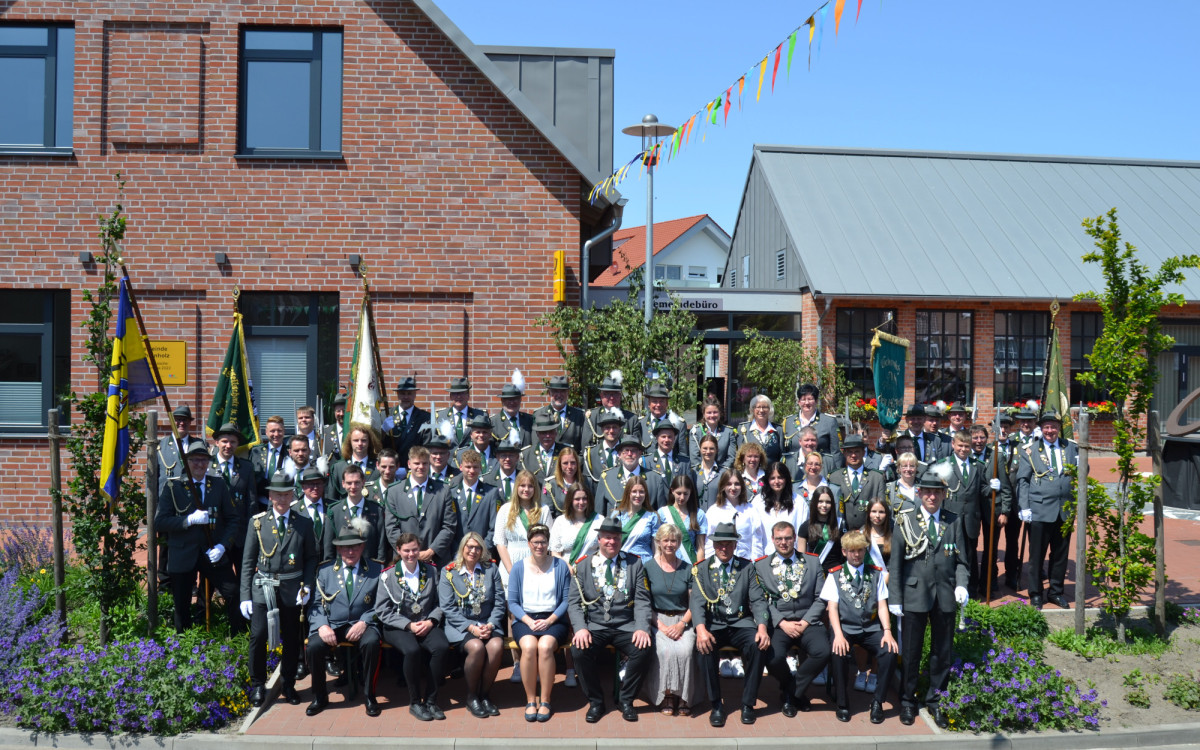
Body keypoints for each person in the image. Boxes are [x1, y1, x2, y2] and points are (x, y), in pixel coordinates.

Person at [888, 472, 970, 727]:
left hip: (945, 595)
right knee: (911, 653)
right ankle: (908, 702)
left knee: (941, 653)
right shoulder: (904, 521)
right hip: (914, 595)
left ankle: (935, 701)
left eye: (937, 492)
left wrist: (962, 584)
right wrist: (895, 598)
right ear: (920, 493)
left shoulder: (953, 521)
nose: (932, 496)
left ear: (944, 495)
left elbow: (961, 561)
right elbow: (897, 563)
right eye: (927, 491)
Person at [240, 471, 319, 708]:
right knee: (259, 635)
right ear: (270, 495)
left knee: (292, 638)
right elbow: (247, 561)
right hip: (263, 587)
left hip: (292, 587)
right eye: (277, 494)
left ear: (292, 495)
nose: (282, 499)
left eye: (286, 494)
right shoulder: (258, 522)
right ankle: (257, 685)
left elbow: (311, 559)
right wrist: (245, 595)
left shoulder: (303, 523)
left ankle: (288, 684)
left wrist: (306, 586)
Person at [569, 517, 653, 724]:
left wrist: (642, 628)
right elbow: (574, 602)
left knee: (643, 649)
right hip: (595, 625)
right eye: (607, 537)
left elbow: (642, 600)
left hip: (626, 624)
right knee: (579, 651)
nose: (611, 542)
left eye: (616, 538)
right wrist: (580, 628)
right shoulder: (583, 565)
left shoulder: (635, 563)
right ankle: (596, 701)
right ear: (599, 539)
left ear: (621, 540)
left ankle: (626, 700)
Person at [157, 441, 242, 633]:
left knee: (233, 592)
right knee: (182, 606)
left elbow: (233, 519)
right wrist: (188, 520)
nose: (200, 465)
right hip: (183, 553)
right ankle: (185, 645)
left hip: (212, 552)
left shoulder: (218, 485)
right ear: (187, 462)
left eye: (204, 460)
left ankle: (237, 639)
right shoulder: (173, 487)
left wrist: (223, 546)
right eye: (195, 460)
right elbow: (160, 522)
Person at [691, 522, 770, 727]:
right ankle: (716, 704)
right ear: (714, 545)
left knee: (757, 645)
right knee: (704, 649)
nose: (723, 548)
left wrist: (762, 627)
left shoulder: (746, 568)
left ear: (735, 546)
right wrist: (700, 630)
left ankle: (747, 704)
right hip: (714, 624)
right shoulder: (702, 569)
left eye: (728, 544)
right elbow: (697, 602)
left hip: (740, 622)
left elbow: (758, 600)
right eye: (719, 544)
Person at [305, 517, 383, 717]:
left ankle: (370, 696)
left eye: (355, 547)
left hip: (362, 623)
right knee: (313, 646)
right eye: (345, 548)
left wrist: (365, 621)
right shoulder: (324, 571)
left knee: (372, 643)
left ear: (362, 547)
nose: (350, 552)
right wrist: (322, 625)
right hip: (332, 624)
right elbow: (315, 603)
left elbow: (382, 605)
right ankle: (320, 697)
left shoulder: (376, 569)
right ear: (338, 549)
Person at [755, 520, 830, 716]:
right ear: (772, 540)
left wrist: (805, 622)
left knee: (823, 651)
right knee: (772, 658)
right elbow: (762, 601)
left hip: (808, 621)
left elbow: (821, 598)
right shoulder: (761, 566)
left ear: (795, 538)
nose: (784, 543)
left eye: (788, 538)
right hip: (780, 624)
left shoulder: (812, 562)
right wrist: (781, 622)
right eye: (779, 539)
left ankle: (790, 694)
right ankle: (795, 691)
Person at [822, 530, 898, 724]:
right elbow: (832, 608)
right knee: (838, 652)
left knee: (889, 652)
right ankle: (842, 703)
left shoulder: (875, 573)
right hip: (845, 628)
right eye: (852, 551)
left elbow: (882, 605)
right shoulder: (835, 574)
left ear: (865, 551)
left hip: (870, 628)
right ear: (844, 551)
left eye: (860, 550)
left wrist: (887, 632)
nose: (856, 555)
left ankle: (877, 702)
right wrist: (837, 634)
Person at [377, 532, 450, 721]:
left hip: (426, 622)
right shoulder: (388, 576)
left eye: (415, 549)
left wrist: (431, 621)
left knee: (441, 647)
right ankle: (415, 702)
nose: (411, 554)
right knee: (412, 651)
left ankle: (431, 701)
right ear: (399, 550)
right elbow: (383, 610)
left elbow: (441, 603)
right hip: (398, 625)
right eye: (407, 550)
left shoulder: (432, 571)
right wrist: (409, 625)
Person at [439, 532, 506, 718]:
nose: (473, 551)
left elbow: (500, 602)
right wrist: (471, 628)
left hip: (487, 623)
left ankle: (485, 695)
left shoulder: (491, 569)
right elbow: (447, 607)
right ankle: (471, 696)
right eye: (469, 547)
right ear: (462, 548)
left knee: (496, 646)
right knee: (476, 647)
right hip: (460, 625)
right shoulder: (449, 571)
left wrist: (491, 624)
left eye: (478, 548)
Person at [508, 524, 571, 722]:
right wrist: (528, 621)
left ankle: (545, 700)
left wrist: (550, 620)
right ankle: (530, 700)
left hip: (554, 619)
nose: (540, 545)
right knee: (528, 647)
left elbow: (566, 600)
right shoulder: (518, 567)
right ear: (529, 544)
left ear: (548, 543)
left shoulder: (560, 566)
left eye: (543, 541)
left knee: (544, 647)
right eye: (535, 542)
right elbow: (512, 602)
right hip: (525, 619)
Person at [1016, 408, 1078, 609]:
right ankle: (1035, 594)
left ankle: (1056, 592)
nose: (1050, 430)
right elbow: (1023, 480)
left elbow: (1080, 473)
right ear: (1041, 429)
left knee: (1060, 555)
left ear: (1060, 428)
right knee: (1036, 556)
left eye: (1053, 426)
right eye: (1046, 427)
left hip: (1064, 509)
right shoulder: (1030, 450)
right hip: (1040, 510)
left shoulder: (1070, 448)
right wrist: (1024, 506)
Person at [642, 524, 697, 716]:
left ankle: (684, 696)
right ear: (658, 542)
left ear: (679, 543)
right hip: (657, 619)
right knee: (664, 650)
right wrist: (662, 626)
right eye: (665, 540)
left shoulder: (688, 569)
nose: (669, 544)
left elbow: (694, 604)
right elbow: (644, 603)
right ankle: (665, 695)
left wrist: (682, 625)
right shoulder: (648, 567)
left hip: (683, 619)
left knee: (686, 651)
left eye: (673, 540)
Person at [382, 446, 457, 567]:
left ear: (429, 464)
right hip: (404, 560)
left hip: (436, 560)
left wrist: (432, 550)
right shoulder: (394, 491)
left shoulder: (443, 490)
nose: (421, 467)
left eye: (424, 463)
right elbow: (391, 528)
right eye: (416, 463)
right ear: (409, 464)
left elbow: (449, 526)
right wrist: (409, 551)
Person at [494, 470, 554, 589]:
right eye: (522, 485)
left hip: (537, 564)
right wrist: (511, 570)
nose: (526, 489)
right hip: (511, 562)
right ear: (516, 487)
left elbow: (550, 542)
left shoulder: (544, 510)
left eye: (530, 486)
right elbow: (500, 542)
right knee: (510, 604)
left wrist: (540, 566)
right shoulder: (505, 509)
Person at [324, 463, 390, 566]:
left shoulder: (376, 510)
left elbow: (381, 546)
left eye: (357, 482)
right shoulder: (334, 511)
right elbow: (329, 549)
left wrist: (379, 568)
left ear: (363, 482)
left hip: (370, 570)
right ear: (343, 484)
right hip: (342, 570)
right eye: (349, 483)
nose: (353, 487)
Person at [593, 434, 668, 515]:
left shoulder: (655, 479)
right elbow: (599, 514)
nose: (629, 454)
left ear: (640, 453)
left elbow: (661, 514)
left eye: (633, 451)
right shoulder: (607, 478)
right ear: (619, 454)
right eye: (626, 450)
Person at [447, 449, 501, 560]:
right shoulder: (451, 493)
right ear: (461, 467)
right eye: (468, 467)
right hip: (457, 554)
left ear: (480, 468)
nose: (471, 471)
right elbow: (449, 526)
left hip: (483, 555)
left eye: (475, 467)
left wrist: (481, 550)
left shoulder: (491, 493)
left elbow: (494, 528)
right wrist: (459, 551)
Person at [828, 435, 887, 533]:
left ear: (864, 452)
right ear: (844, 453)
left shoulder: (876, 477)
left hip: (869, 533)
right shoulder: (834, 477)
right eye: (850, 452)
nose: (853, 455)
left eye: (857, 451)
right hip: (841, 534)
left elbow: (883, 507)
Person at [752, 462, 805, 560]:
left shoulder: (799, 502)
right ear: (767, 480)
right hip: (766, 559)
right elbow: (755, 537)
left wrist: (800, 559)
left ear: (786, 479)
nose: (776, 481)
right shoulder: (758, 502)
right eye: (772, 478)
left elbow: (802, 535)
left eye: (780, 477)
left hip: (792, 559)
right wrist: (757, 561)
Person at [704, 470, 761, 560]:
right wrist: (711, 564)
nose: (733, 488)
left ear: (742, 486)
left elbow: (756, 541)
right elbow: (708, 542)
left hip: (746, 563)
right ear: (722, 486)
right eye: (729, 484)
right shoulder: (713, 511)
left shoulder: (751, 510)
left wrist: (755, 563)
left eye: (737, 484)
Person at [658, 475, 708, 565]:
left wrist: (699, 568)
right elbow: (658, 543)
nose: (682, 497)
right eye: (679, 493)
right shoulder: (663, 513)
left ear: (691, 492)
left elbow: (700, 547)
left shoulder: (698, 514)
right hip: (668, 564)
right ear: (672, 491)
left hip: (690, 563)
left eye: (685, 494)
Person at [383, 376, 430, 470]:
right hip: (388, 470)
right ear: (397, 394)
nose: (406, 397)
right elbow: (377, 444)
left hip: (414, 469)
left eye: (409, 393)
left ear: (415, 395)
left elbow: (426, 447)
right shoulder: (385, 414)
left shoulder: (425, 418)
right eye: (402, 393)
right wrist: (382, 431)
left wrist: (409, 469)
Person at [550, 483, 603, 564]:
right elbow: (555, 553)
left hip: (591, 570)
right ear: (570, 500)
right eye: (577, 499)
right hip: (567, 570)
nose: (581, 502)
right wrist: (568, 567)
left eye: (584, 498)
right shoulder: (560, 521)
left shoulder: (599, 520)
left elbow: (604, 550)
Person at [612, 475, 662, 561]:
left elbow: (657, 551)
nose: (638, 495)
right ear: (628, 493)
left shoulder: (652, 517)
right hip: (622, 564)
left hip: (644, 564)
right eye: (634, 491)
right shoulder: (617, 515)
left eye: (641, 492)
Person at [783, 383, 840, 457]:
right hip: (794, 467)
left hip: (821, 466)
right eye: (803, 399)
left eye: (810, 399)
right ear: (798, 402)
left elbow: (837, 452)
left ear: (816, 401)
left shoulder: (829, 422)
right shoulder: (788, 422)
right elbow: (783, 452)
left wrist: (836, 468)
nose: (806, 403)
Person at [584, 370, 639, 446]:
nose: (612, 398)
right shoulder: (592, 417)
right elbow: (586, 447)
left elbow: (636, 448)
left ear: (620, 395)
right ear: (601, 396)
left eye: (615, 394)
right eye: (607, 394)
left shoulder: (632, 419)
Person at [532, 375, 586, 452]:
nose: (559, 395)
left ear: (568, 393)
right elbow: (535, 445)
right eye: (555, 391)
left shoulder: (579, 415)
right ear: (549, 393)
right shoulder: (538, 414)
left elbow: (583, 448)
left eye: (563, 391)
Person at [798, 485, 843, 571]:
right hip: (814, 572)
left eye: (828, 502)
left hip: (835, 572)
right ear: (814, 503)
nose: (824, 505)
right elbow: (801, 557)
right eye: (820, 501)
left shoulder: (841, 524)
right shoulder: (805, 526)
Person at [687, 395, 736, 472]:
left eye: (715, 412)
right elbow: (694, 458)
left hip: (723, 475)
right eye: (709, 413)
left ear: (720, 413)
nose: (712, 415)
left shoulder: (728, 432)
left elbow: (731, 458)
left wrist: (720, 473)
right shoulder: (696, 432)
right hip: (702, 474)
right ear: (704, 414)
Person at [250, 415, 288, 507]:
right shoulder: (256, 452)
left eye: (279, 431)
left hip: (284, 504)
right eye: (272, 431)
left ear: (284, 432)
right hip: (260, 504)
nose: (276, 434)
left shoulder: (290, 452)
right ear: (266, 432)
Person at [520, 413, 570, 482]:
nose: (547, 436)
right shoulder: (526, 455)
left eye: (551, 432)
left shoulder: (565, 452)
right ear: (537, 433)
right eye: (543, 432)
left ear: (556, 433)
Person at [736, 394, 783, 464]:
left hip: (772, 473)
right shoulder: (744, 429)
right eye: (758, 407)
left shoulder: (778, 430)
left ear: (770, 410)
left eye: (765, 407)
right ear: (753, 409)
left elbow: (782, 455)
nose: (761, 410)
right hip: (751, 473)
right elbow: (740, 455)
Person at [636, 382, 680, 457]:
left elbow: (683, 454)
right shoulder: (640, 423)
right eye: (654, 401)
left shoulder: (678, 424)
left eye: (661, 401)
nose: (658, 405)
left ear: (667, 404)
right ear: (649, 404)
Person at [583, 408, 625, 484]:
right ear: (602, 430)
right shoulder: (591, 454)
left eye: (614, 427)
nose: (611, 431)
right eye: (607, 427)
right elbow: (588, 482)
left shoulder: (627, 452)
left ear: (620, 429)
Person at [543, 447, 587, 517]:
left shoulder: (586, 482)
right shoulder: (550, 484)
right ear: (560, 465)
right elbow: (548, 513)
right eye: (565, 463)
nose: (569, 466)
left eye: (573, 463)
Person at [493, 373, 533, 449]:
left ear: (520, 400)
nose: (512, 402)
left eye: (515, 399)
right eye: (508, 399)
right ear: (502, 400)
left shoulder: (530, 420)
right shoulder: (494, 422)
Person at [644, 417, 689, 484]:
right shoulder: (647, 462)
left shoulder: (684, 462)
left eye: (670, 437)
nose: (666, 440)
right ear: (657, 438)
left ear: (674, 438)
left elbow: (690, 487)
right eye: (663, 437)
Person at [691, 434, 723, 509]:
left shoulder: (723, 473)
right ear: (700, 449)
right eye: (705, 448)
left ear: (716, 450)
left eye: (711, 448)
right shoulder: (693, 472)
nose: (708, 451)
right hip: (697, 517)